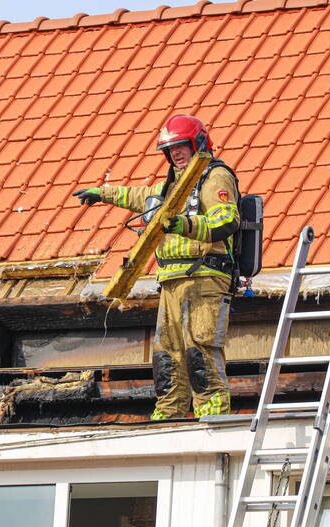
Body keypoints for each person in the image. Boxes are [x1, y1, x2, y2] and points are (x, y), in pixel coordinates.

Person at [73, 114, 241, 419]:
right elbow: (141, 196)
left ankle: (213, 416)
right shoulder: (174, 185)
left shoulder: (214, 176)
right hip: (172, 280)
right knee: (168, 356)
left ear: (198, 143)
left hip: (204, 276)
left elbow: (225, 220)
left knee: (199, 349)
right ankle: (168, 415)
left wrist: (183, 224)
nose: (175, 153)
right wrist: (103, 193)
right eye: (170, 149)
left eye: (180, 146)